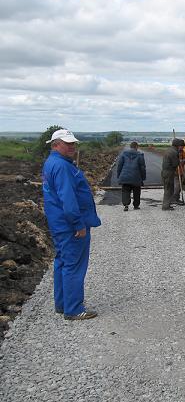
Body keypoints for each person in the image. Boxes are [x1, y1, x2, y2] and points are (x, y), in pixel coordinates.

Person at [42, 129, 101, 320]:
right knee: (74, 265)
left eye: (73, 144)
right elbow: (68, 198)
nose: (72, 147)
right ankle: (74, 309)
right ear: (55, 144)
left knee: (63, 262)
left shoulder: (53, 162)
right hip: (69, 225)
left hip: (59, 223)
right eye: (67, 144)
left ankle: (62, 304)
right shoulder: (62, 166)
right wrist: (78, 224)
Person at [116, 141, 146, 211]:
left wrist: (119, 175)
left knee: (125, 191)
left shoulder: (124, 154)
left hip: (125, 177)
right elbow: (142, 167)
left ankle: (126, 205)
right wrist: (143, 177)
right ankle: (136, 205)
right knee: (137, 191)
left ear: (130, 146)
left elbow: (119, 166)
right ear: (136, 147)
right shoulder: (140, 155)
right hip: (136, 177)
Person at [161, 138, 185, 210]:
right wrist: (180, 161)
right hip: (169, 173)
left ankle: (167, 204)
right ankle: (165, 206)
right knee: (169, 190)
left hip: (165, 172)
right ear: (178, 145)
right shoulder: (174, 152)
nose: (182, 148)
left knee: (167, 189)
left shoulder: (169, 150)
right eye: (181, 146)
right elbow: (175, 164)